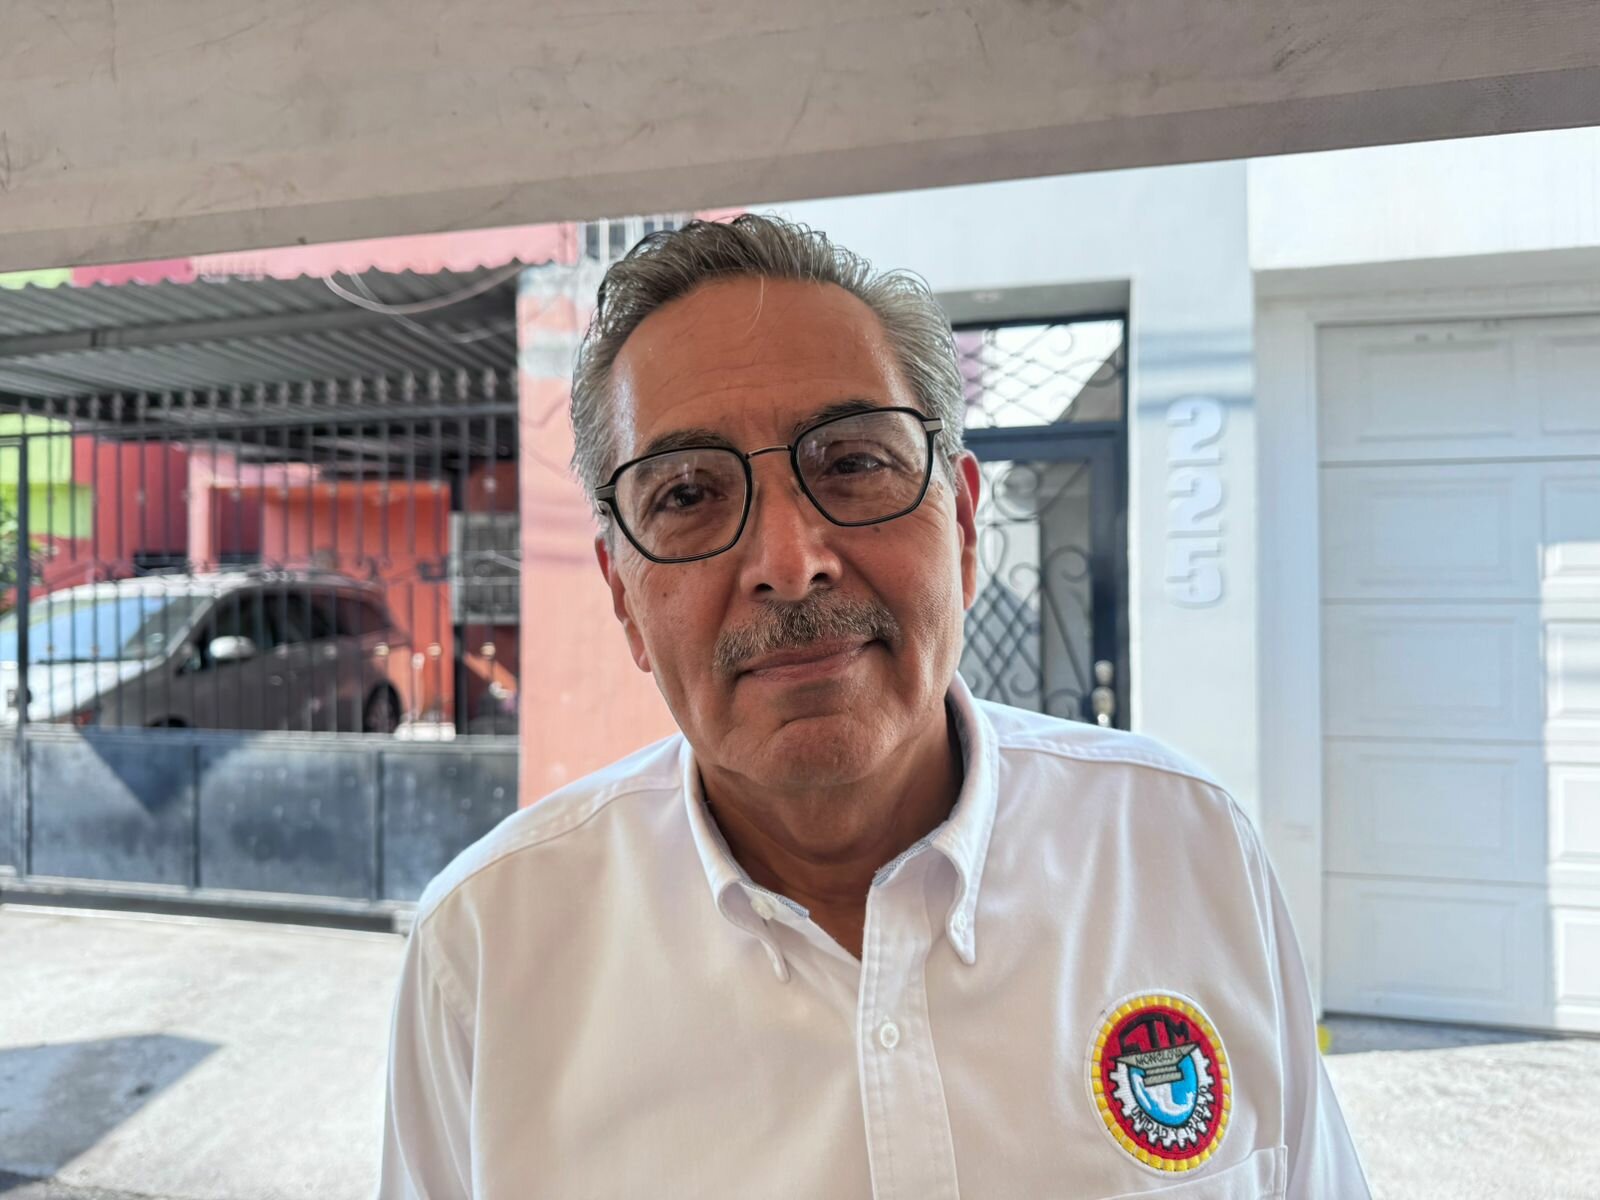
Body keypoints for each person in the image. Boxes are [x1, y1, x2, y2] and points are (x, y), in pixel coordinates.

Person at [379, 215, 1370, 1198]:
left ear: (964, 526)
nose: (789, 563)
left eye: (852, 463)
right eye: (686, 493)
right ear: (623, 597)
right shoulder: (485, 955)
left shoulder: (1187, 850)